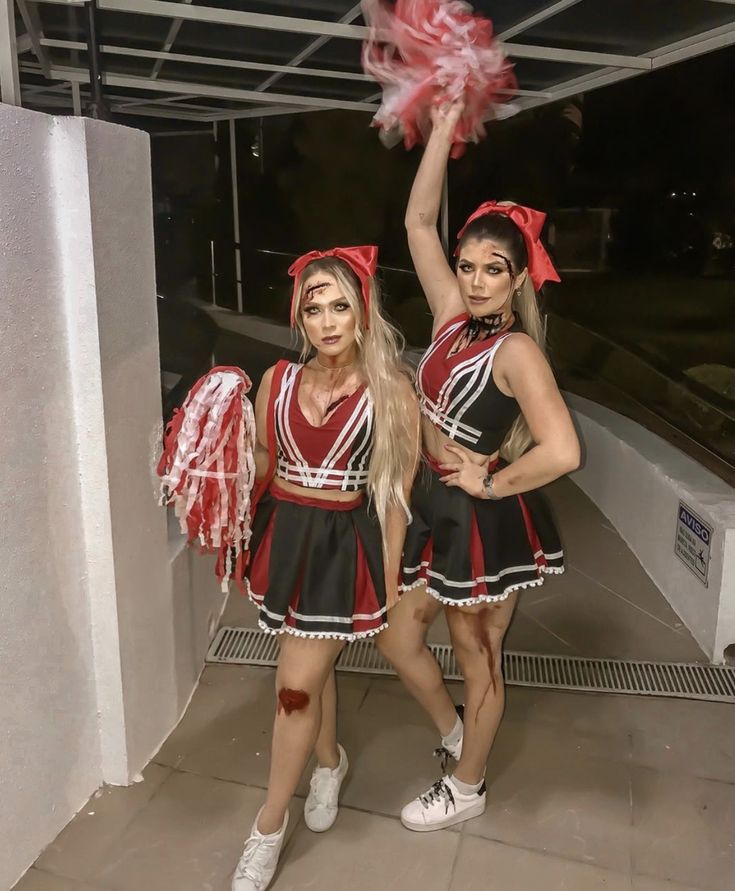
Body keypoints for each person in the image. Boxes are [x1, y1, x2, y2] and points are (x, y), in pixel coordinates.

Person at [376, 103, 580, 832]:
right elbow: (416, 223)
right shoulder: (447, 317)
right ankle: (461, 732)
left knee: (478, 653)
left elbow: (563, 450)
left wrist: (490, 479)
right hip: (435, 498)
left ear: (518, 274)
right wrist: (442, 126)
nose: (474, 280)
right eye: (466, 266)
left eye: (492, 269)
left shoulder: (517, 351)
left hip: (482, 512)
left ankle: (466, 786)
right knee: (398, 637)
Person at [231, 246, 419, 889]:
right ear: (299, 317)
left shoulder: (391, 390)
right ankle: (329, 762)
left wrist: (389, 581)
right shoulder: (276, 382)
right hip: (287, 539)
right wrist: (218, 466)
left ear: (363, 309)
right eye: (314, 308)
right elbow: (261, 457)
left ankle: (266, 826)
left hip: (342, 547)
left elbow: (394, 494)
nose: (328, 321)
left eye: (341, 305)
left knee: (293, 688)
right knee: (311, 670)